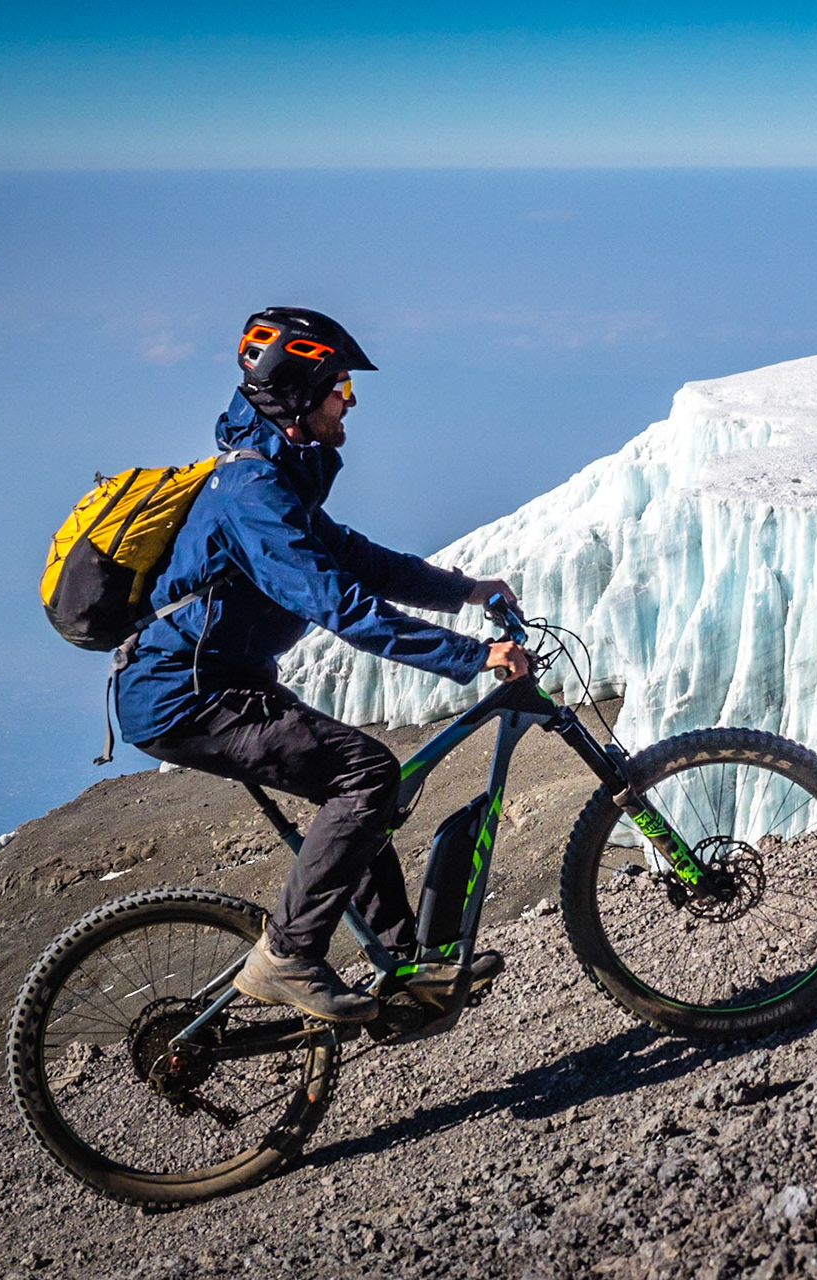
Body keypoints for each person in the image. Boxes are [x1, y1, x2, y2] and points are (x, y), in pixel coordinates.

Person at [114, 307, 528, 1023]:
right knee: (365, 775)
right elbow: (341, 605)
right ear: (299, 392)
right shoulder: (253, 495)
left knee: (364, 790)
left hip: (221, 683)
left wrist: (464, 591)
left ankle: (406, 963)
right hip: (183, 695)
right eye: (340, 386)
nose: (350, 401)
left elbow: (359, 559)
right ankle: (288, 957)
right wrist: (472, 654)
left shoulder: (277, 480)